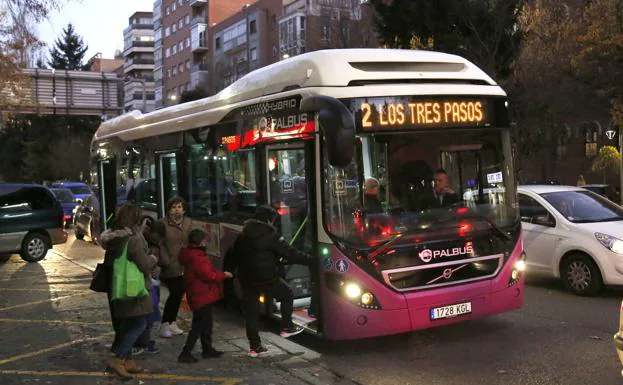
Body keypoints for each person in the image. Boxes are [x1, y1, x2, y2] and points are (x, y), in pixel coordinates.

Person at [228, 205, 312, 357]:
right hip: (267, 277)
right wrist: (312, 261)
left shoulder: (243, 235)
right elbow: (290, 253)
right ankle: (286, 327)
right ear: (268, 220)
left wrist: (232, 273)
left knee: (251, 313)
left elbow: (233, 255)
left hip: (247, 278)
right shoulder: (270, 235)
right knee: (287, 293)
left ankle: (255, 347)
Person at [100, 203, 158, 379]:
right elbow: (145, 264)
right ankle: (119, 359)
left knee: (126, 324)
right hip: (134, 288)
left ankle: (127, 360)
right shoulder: (132, 239)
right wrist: (154, 258)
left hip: (118, 287)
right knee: (139, 323)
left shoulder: (113, 239)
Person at [177, 229, 234, 363]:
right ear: (200, 241)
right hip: (201, 294)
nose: (207, 242)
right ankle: (186, 352)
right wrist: (224, 275)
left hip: (200, 294)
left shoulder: (191, 254)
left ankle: (207, 349)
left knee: (207, 322)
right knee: (199, 325)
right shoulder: (198, 257)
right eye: (205, 240)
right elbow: (208, 275)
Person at [159, 196, 197, 338]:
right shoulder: (163, 224)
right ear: (169, 210)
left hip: (184, 264)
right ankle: (165, 324)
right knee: (175, 292)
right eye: (174, 207)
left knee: (179, 293)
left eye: (179, 207)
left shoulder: (188, 223)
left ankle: (171, 322)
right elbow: (159, 243)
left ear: (184, 209)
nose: (177, 210)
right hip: (170, 265)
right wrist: (165, 260)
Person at [134, 219, 166, 355]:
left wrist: (158, 267)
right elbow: (144, 263)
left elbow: (165, 261)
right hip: (145, 284)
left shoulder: (156, 246)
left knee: (150, 315)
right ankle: (142, 343)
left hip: (152, 283)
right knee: (146, 316)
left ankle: (145, 342)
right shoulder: (140, 243)